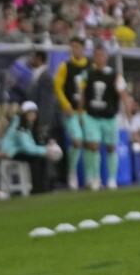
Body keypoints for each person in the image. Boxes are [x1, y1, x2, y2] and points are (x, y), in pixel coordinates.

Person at [81, 45, 127, 190]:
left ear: (106, 57)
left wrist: (128, 109)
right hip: (92, 116)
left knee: (111, 147)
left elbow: (123, 93)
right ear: (94, 57)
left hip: (109, 116)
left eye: (102, 55)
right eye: (97, 55)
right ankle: (95, 178)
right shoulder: (87, 74)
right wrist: (80, 112)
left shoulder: (115, 75)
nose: (100, 58)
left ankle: (112, 179)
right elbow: (82, 94)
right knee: (93, 146)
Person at [54, 38, 93, 189]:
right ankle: (72, 173)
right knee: (77, 141)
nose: (74, 49)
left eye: (77, 46)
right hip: (72, 111)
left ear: (83, 48)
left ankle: (90, 177)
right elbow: (58, 87)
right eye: (72, 47)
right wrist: (66, 105)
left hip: (87, 112)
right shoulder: (65, 66)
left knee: (90, 143)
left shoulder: (90, 66)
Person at [0, 101, 56, 194]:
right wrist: (45, 150)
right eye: (29, 113)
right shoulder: (19, 126)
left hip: (17, 150)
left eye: (34, 113)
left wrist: (46, 147)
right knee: (35, 158)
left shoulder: (28, 125)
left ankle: (43, 186)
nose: (32, 115)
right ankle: (37, 188)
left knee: (41, 158)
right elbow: (27, 147)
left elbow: (32, 144)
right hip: (10, 152)